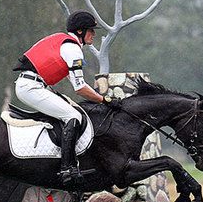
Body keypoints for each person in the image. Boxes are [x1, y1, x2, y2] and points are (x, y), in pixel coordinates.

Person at [12, 10, 122, 184]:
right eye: (91, 30)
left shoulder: (65, 42)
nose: (93, 34)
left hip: (32, 85)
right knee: (73, 115)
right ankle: (66, 168)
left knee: (71, 109)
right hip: (31, 87)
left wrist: (100, 98)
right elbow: (79, 88)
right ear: (80, 31)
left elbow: (76, 82)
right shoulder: (73, 49)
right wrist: (105, 100)